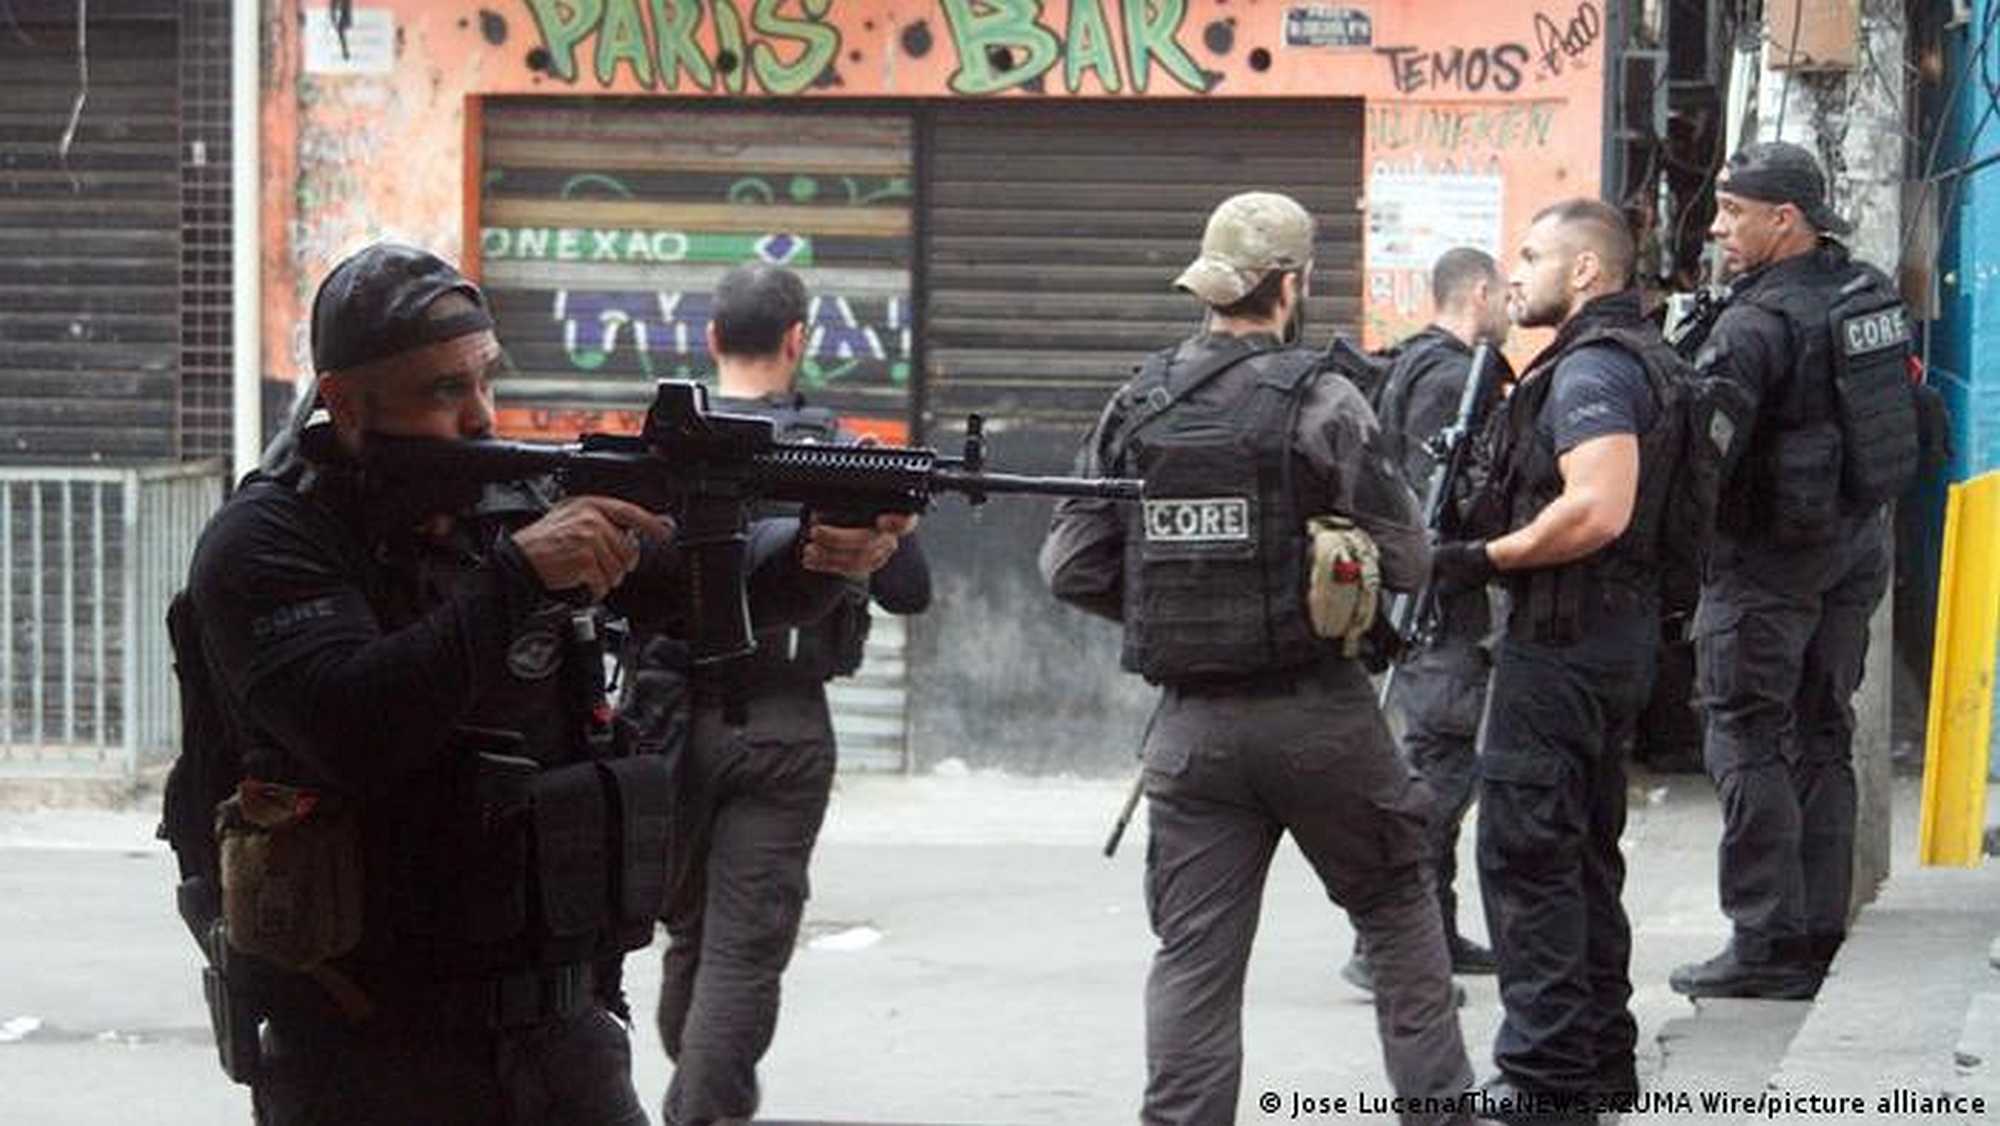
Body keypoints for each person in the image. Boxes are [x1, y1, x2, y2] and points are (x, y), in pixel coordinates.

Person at [175, 243, 910, 1125]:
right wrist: (516, 584)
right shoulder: (268, 542)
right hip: (367, 1051)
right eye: (442, 391)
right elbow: (349, 725)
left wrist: (821, 553)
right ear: (344, 401)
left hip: (562, 1034)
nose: (481, 416)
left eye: (485, 380)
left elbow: (704, 591)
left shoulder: (510, 499)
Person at [1040, 191, 1473, 1126]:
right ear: (1292, 285)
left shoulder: (1138, 401)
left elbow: (1070, 565)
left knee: (1194, 960)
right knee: (1399, 912)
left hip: (1192, 735)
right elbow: (1408, 557)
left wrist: (1176, 604)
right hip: (1323, 717)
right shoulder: (1323, 397)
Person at [650, 264, 931, 1126]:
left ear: (709, 340)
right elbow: (909, 592)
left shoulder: (665, 445)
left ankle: (699, 1082)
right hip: (783, 728)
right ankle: (704, 1103)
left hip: (665, 729)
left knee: (694, 937)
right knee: (741, 951)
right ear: (798, 340)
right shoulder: (836, 454)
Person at [1439, 199, 1684, 1122]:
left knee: (1528, 849)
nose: (1517, 271)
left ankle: (1546, 1079)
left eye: (1535, 254)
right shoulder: (1636, 356)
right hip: (1606, 639)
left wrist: (1481, 558)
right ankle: (1598, 1062)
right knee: (1580, 852)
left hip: (1567, 641)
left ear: (1585, 272)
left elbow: (1598, 507)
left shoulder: (1592, 372)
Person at [1669, 142, 1914, 1001]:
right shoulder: (1865, 291)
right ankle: (1814, 930)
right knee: (1820, 732)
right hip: (1853, 547)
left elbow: (1703, 462)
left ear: (1786, 219)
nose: (1718, 226)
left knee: (1746, 737)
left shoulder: (1754, 326)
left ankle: (1765, 941)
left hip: (1768, 566)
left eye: (1734, 211)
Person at [1341, 248, 1512, 997]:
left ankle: (1430, 933)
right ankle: (1388, 946)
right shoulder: (1451, 379)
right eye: (1505, 292)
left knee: (1436, 765)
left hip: (1422, 597)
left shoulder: (1413, 365)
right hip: (1440, 604)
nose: (1510, 305)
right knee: (1440, 767)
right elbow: (1450, 496)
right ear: (1479, 292)